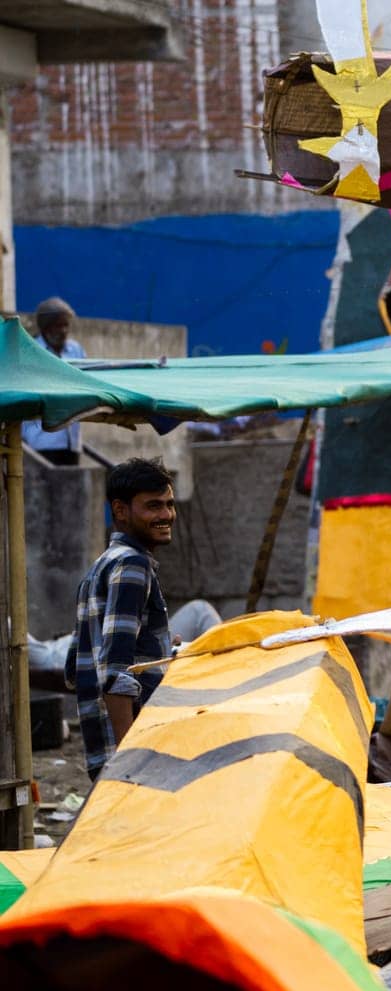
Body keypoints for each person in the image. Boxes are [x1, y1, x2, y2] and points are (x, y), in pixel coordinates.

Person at [67, 458, 175, 781]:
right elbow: (116, 672)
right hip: (128, 754)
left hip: (105, 750)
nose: (166, 515)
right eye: (153, 506)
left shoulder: (102, 565)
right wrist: (130, 761)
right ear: (121, 510)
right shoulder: (131, 566)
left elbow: (75, 667)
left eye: (169, 504)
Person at [22, 298, 87, 465]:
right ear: (45, 327)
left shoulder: (76, 350)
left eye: (66, 325)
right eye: (58, 325)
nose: (63, 330)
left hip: (71, 440)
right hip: (41, 440)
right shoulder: (31, 351)